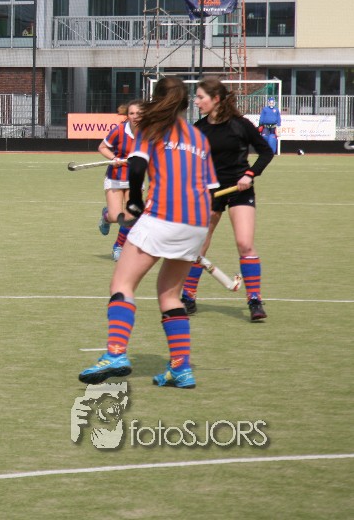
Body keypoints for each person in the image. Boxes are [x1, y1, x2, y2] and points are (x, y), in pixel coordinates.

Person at [78, 76, 217, 389]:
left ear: (156, 98)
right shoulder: (199, 137)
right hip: (197, 222)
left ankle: (116, 353)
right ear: (185, 103)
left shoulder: (151, 128)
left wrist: (136, 202)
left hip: (162, 215)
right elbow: (209, 189)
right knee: (170, 294)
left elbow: (137, 165)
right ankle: (181, 369)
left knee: (122, 283)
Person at [182, 76, 275, 321]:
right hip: (208, 191)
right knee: (198, 245)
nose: (196, 101)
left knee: (245, 243)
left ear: (216, 99)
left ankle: (254, 300)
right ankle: (188, 296)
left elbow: (266, 152)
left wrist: (250, 174)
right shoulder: (198, 128)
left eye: (200, 97)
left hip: (239, 189)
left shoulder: (240, 125)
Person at [97, 101, 142, 261]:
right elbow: (102, 147)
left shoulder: (148, 132)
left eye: (138, 113)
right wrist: (114, 158)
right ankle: (106, 216)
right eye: (132, 113)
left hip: (135, 178)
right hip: (115, 177)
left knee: (131, 216)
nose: (135, 117)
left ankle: (118, 247)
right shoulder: (119, 130)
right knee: (116, 217)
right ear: (127, 115)